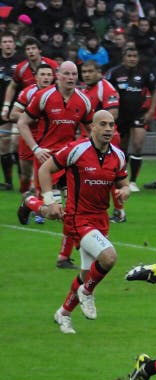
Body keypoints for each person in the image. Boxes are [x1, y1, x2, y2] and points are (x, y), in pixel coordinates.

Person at [36, 110, 128, 334]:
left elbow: (123, 181)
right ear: (93, 128)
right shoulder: (76, 150)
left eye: (111, 125)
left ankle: (64, 313)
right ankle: (87, 292)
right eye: (103, 124)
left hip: (100, 219)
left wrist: (125, 190)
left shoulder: (118, 155)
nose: (108, 129)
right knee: (109, 257)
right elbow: (44, 169)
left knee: (88, 273)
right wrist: (50, 201)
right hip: (77, 218)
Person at [17, 61, 93, 269]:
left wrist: (88, 151)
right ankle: (30, 202)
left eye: (74, 74)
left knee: (73, 210)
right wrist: (35, 149)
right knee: (53, 212)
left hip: (70, 161)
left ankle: (63, 257)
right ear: (58, 75)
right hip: (46, 162)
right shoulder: (44, 97)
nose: (70, 77)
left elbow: (91, 131)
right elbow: (22, 123)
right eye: (66, 73)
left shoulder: (84, 101)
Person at [105, 47, 156, 192]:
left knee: (138, 145)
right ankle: (122, 178)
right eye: (129, 56)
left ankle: (134, 181)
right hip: (120, 115)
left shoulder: (144, 72)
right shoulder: (114, 72)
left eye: (134, 56)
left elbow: (155, 90)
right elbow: (104, 88)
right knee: (121, 148)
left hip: (138, 114)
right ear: (124, 57)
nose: (132, 59)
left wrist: (151, 110)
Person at [80, 60, 126, 222]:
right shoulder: (85, 90)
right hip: (90, 139)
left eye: (90, 71)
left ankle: (119, 211)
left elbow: (113, 114)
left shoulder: (105, 88)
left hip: (107, 138)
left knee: (111, 175)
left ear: (99, 73)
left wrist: (95, 129)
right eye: (84, 71)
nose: (86, 74)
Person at [10, 63, 54, 220]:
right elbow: (13, 115)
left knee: (41, 175)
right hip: (28, 137)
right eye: (42, 74)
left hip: (47, 139)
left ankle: (39, 211)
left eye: (49, 75)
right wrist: (32, 115)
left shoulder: (56, 93)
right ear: (36, 77)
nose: (46, 78)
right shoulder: (28, 93)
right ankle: (28, 201)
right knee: (27, 174)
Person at [0, 31, 23, 191]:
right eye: (5, 42)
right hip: (2, 109)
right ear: (1, 45)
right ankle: (8, 182)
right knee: (4, 145)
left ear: (14, 44)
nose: (8, 44)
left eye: (10, 41)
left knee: (18, 143)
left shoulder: (21, 62)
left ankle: (24, 181)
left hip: (19, 109)